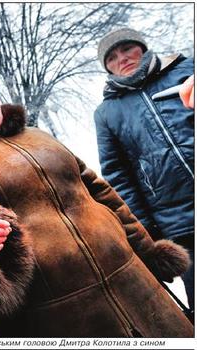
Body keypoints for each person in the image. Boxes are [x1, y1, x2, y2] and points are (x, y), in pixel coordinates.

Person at [0, 73, 194, 337]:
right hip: (59, 305)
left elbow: (101, 191)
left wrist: (148, 250)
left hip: (128, 273)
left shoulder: (38, 136)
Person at [93, 28, 194, 313]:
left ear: (142, 48)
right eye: (112, 57)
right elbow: (118, 177)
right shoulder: (107, 113)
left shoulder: (187, 70)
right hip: (179, 223)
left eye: (127, 49)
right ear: (107, 67)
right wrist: (147, 230)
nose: (121, 58)